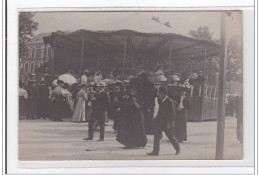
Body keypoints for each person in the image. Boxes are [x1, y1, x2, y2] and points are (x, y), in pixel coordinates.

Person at [147, 86, 180, 156]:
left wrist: (169, 123)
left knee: (170, 136)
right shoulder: (158, 100)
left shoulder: (169, 102)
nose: (158, 94)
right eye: (158, 93)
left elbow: (172, 114)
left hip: (166, 123)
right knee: (156, 136)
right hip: (159, 122)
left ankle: (177, 149)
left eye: (159, 93)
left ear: (164, 94)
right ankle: (155, 151)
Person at [116, 79, 148, 148]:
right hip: (130, 116)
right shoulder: (127, 97)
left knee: (138, 130)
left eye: (134, 90)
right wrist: (122, 99)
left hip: (138, 116)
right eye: (131, 90)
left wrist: (134, 102)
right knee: (129, 130)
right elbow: (122, 105)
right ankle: (130, 144)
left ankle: (140, 144)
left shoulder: (139, 97)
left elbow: (140, 107)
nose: (132, 92)